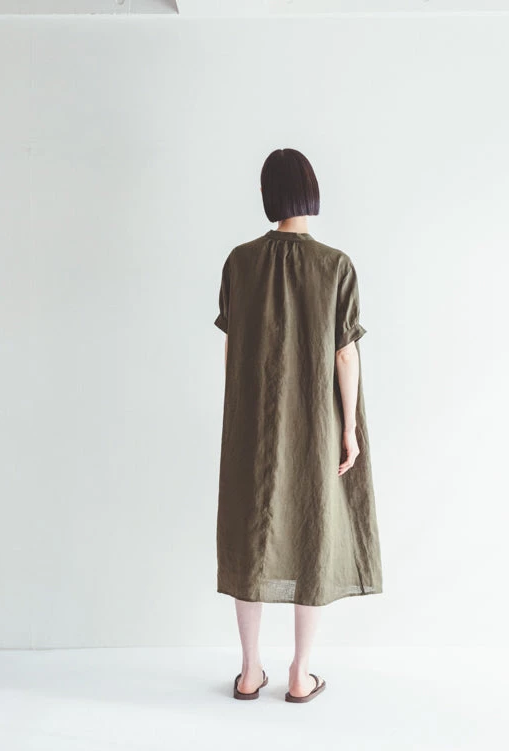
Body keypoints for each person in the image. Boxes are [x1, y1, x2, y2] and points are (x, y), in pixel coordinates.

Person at [214, 148, 383, 703]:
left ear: (268, 195)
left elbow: (232, 347)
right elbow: (344, 354)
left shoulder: (239, 262)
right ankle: (300, 673)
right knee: (314, 529)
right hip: (315, 421)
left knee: (249, 534)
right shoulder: (335, 265)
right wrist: (349, 429)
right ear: (312, 192)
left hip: (250, 422)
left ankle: (248, 671)